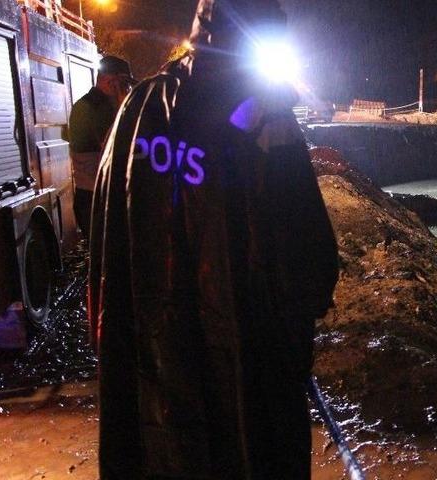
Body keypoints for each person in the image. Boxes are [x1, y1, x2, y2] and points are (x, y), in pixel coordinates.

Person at [87, 0, 339, 478]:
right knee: (247, 448)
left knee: (162, 450)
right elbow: (303, 248)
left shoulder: (138, 106)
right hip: (245, 346)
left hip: (156, 347)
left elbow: (106, 227)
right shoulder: (265, 116)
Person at [67, 55, 135, 238]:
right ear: (111, 81)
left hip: (93, 196)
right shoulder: (96, 108)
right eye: (125, 82)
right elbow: (115, 146)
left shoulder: (87, 104)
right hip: (99, 198)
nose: (128, 88)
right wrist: (123, 105)